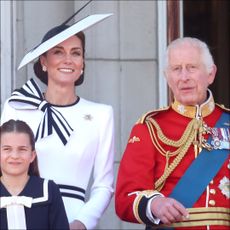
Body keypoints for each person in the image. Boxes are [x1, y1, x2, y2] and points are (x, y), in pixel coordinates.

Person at [1, 12, 114, 230]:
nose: (68, 60)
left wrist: (81, 223)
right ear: (43, 61)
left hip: (74, 219)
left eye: (76, 53)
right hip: (20, 212)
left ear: (83, 62)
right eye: (58, 52)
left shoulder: (101, 114)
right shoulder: (17, 107)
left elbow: (104, 185)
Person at [115, 37, 230, 229]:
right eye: (176, 69)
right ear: (168, 77)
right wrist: (154, 204)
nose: (184, 77)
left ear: (211, 74)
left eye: (192, 67)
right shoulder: (150, 127)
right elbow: (124, 198)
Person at [0, 119, 69, 229]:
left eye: (22, 149)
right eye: (7, 149)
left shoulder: (49, 190)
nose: (15, 155)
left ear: (32, 155)